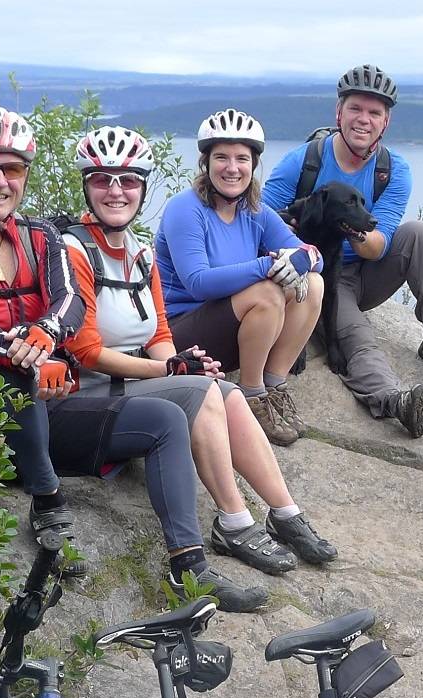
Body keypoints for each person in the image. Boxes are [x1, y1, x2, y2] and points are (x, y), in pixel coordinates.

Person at [0, 106, 265, 612]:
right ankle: (47, 502)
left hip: (35, 415)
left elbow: (68, 305)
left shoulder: (41, 236)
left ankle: (190, 569)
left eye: (13, 169)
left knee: (165, 419)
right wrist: (20, 351)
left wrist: (43, 337)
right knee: (5, 365)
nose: (0, 180)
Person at [59, 125, 338, 578]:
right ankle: (235, 520)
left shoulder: (138, 252)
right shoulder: (77, 250)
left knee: (216, 386)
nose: (115, 191)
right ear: (206, 163)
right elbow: (89, 349)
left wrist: (179, 364)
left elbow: (158, 329)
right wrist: (169, 368)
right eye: (102, 180)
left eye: (127, 182)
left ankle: (285, 511)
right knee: (247, 328)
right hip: (98, 390)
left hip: (142, 369)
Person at [263, 64, 423, 439]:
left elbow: (378, 246)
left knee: (421, 233)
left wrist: (343, 222)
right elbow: (256, 218)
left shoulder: (392, 170)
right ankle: (393, 400)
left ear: (386, 122)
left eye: (375, 113)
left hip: (370, 269)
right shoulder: (304, 162)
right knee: (354, 334)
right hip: (323, 276)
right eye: (356, 108)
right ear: (338, 113)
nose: (364, 119)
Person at [155, 108, 322, 447]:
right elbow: (198, 282)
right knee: (268, 292)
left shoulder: (255, 211)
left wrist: (305, 259)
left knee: (313, 284)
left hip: (230, 331)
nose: (232, 168)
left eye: (242, 158)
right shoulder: (184, 209)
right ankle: (250, 394)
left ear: (254, 164)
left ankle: (274, 385)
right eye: (222, 157)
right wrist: (267, 267)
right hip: (182, 337)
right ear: (206, 162)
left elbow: (309, 256)